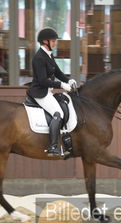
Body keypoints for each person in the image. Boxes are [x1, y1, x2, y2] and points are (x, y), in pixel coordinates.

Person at [27, 27, 78, 157]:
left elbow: (57, 72)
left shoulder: (48, 55)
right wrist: (61, 85)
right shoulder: (39, 58)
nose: (55, 43)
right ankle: (53, 146)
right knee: (58, 113)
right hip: (40, 92)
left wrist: (69, 80)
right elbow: (43, 81)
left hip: (47, 91)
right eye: (53, 41)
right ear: (45, 41)